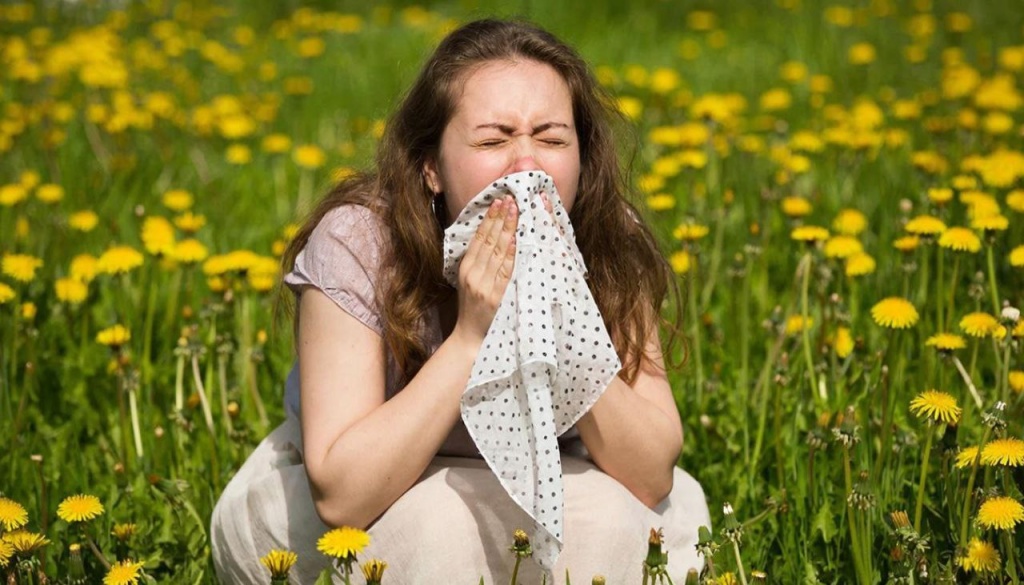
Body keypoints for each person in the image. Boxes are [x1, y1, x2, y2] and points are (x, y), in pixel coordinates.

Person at [211, 18, 710, 584]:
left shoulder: (607, 235)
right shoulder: (359, 242)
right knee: (442, 524)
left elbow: (649, 474)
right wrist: (472, 338)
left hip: (560, 482)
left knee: (609, 522)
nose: (527, 167)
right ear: (431, 168)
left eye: (551, 139)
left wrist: (559, 313)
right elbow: (343, 497)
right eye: (493, 140)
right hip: (385, 490)